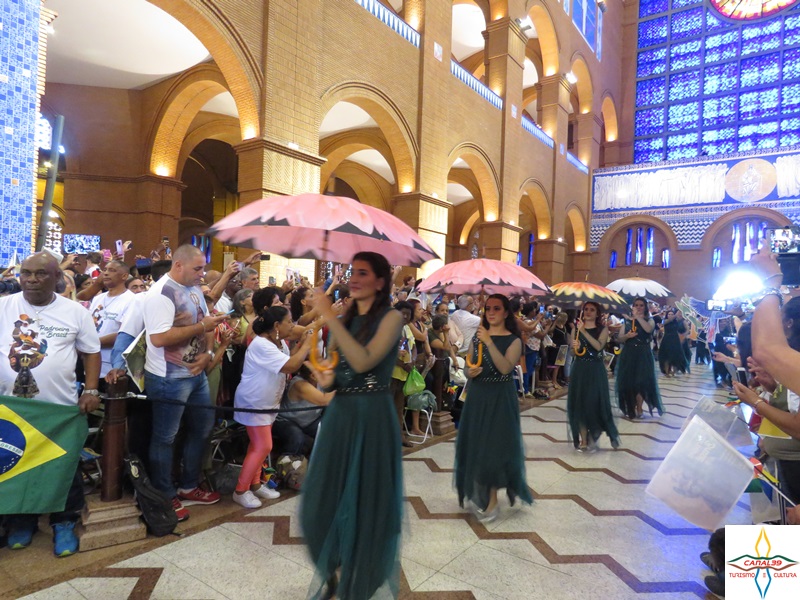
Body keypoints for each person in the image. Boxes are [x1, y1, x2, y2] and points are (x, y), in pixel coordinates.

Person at [300, 251, 404, 600]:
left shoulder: (392, 318)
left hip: (372, 415)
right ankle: (333, 567)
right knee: (320, 500)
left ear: (380, 281)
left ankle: (355, 578)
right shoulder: (344, 320)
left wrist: (330, 316)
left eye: (362, 273)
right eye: (352, 272)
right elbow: (335, 376)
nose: (353, 279)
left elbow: (363, 361)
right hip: (341, 414)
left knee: (364, 500)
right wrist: (324, 376)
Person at [0, 252, 101, 556]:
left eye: (41, 273)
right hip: (13, 408)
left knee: (62, 467)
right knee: (18, 465)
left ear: (57, 277)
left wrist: (91, 390)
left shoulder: (75, 312)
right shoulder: (4, 306)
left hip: (58, 409)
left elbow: (91, 352)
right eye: (26, 273)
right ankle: (22, 520)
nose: (32, 279)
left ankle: (63, 522)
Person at [142, 245, 229, 521]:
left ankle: (188, 485)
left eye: (203, 268)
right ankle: (165, 493)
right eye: (198, 269)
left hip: (195, 374)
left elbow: (207, 321)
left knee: (202, 428)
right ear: (178, 265)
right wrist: (203, 328)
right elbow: (159, 338)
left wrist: (208, 353)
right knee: (165, 437)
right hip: (168, 376)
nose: (202, 274)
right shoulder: (161, 293)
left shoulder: (193, 289)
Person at [454, 293, 531, 522]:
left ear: (506, 313)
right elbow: (469, 364)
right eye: (488, 308)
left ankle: (493, 501)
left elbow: (505, 368)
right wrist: (469, 371)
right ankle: (482, 494)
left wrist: (488, 341)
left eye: (497, 308)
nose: (491, 312)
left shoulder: (514, 340)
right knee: (477, 445)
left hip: (500, 398)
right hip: (478, 396)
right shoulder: (477, 338)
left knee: (494, 447)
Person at [232, 306, 314, 509]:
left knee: (257, 446)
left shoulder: (278, 342)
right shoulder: (261, 344)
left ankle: (255, 484)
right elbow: (290, 366)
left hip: (268, 402)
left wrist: (301, 343)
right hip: (254, 402)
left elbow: (287, 358)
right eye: (289, 321)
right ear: (277, 325)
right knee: (264, 446)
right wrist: (307, 345)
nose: (292, 325)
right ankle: (240, 491)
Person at [568, 301, 621, 451]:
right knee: (580, 404)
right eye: (586, 309)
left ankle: (606, 433)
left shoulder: (602, 329)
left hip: (596, 369)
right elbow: (572, 353)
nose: (588, 312)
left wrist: (584, 331)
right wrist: (575, 347)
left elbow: (598, 347)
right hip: (579, 369)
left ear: (597, 313)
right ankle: (584, 440)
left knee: (595, 403)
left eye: (592, 310)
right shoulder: (576, 330)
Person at [615, 297, 663, 419]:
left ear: (645, 307)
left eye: (641, 305)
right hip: (628, 353)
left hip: (643, 353)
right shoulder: (627, 322)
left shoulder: (649, 320)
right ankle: (631, 406)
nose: (638, 307)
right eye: (636, 305)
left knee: (640, 382)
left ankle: (639, 407)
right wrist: (627, 336)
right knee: (629, 382)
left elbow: (648, 329)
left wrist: (638, 318)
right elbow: (619, 339)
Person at [88, 260, 136, 382]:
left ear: (124, 276)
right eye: (105, 270)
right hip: (90, 360)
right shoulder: (98, 298)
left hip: (113, 366)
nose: (106, 273)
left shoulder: (132, 300)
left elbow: (125, 334)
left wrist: (90, 343)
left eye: (112, 270)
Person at [272, 363, 333, 457]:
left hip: (309, 421)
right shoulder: (299, 385)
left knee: (331, 428)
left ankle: (325, 459)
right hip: (285, 420)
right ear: (313, 376)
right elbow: (323, 400)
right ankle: (288, 461)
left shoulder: (321, 382)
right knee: (296, 437)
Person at [389, 300, 416, 447]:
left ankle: (400, 437)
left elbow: (414, 347)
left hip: (403, 375)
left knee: (399, 408)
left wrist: (412, 362)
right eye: (403, 313)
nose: (405, 316)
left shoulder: (407, 329)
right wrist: (402, 364)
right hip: (391, 374)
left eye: (408, 314)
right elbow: (385, 351)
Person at [658, 309, 689, 377]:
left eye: (672, 314)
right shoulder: (664, 320)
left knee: (676, 356)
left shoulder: (676, 321)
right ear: (667, 315)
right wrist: (675, 315)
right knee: (666, 357)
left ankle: (674, 372)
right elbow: (664, 322)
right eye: (669, 314)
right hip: (666, 339)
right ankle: (667, 372)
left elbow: (683, 324)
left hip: (675, 339)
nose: (670, 315)